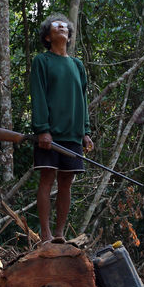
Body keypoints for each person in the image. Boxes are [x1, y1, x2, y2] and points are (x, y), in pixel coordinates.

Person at [30, 13, 94, 242]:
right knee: (47, 178)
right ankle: (45, 233)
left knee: (66, 183)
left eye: (65, 26)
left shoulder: (77, 65)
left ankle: (59, 233)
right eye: (56, 26)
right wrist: (42, 129)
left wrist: (86, 131)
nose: (62, 27)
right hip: (50, 133)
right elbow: (38, 95)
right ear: (48, 36)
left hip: (73, 134)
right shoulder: (42, 61)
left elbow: (83, 100)